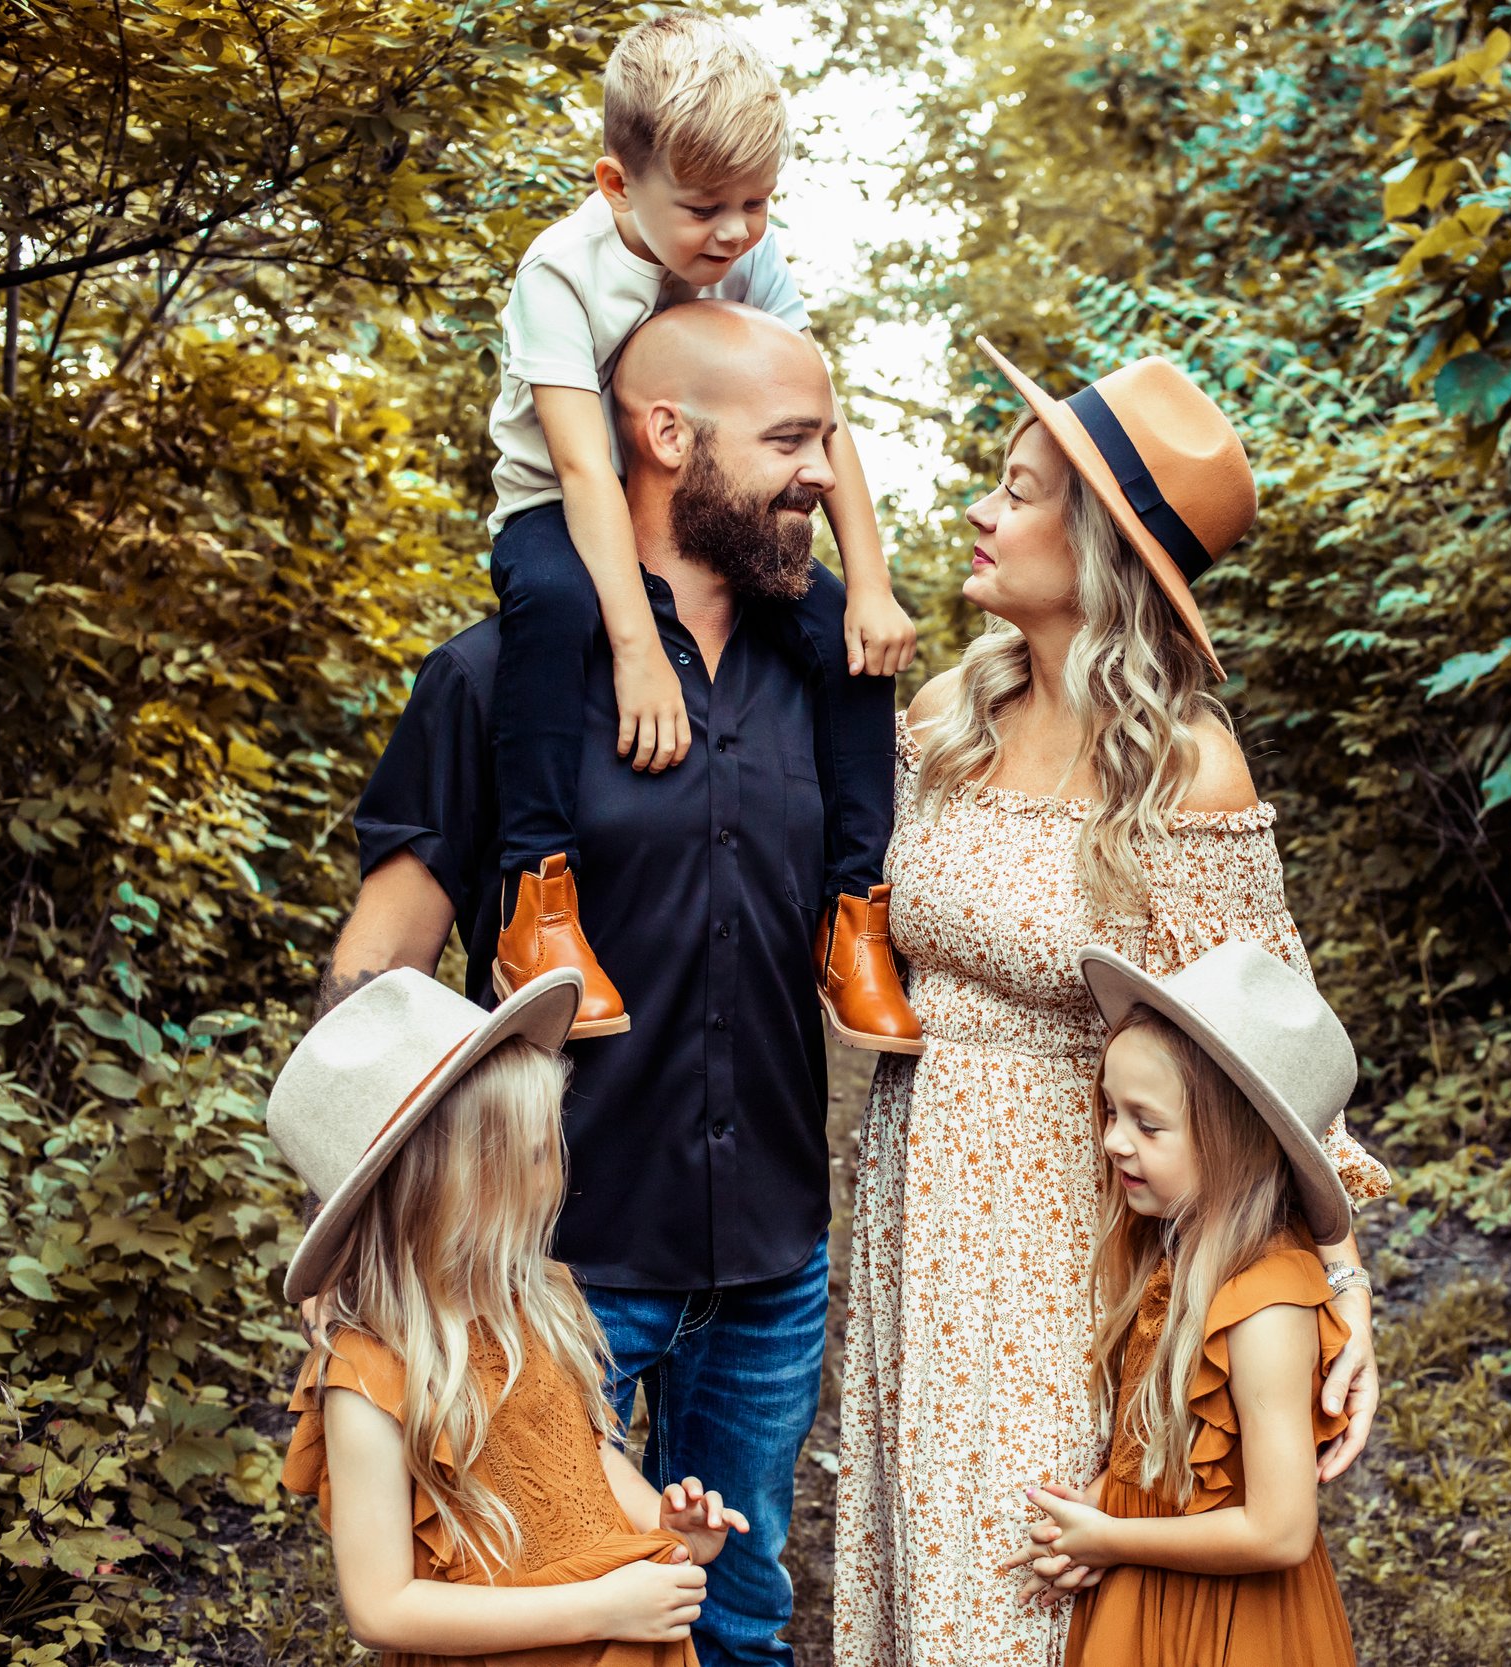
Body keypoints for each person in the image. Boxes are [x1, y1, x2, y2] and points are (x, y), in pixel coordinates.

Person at [832, 338, 1391, 1666]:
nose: (980, 508)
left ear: (1105, 548)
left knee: (1033, 1565)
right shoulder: (950, 713)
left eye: (1019, 491)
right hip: (916, 1189)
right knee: (923, 1544)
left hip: (1077, 1217)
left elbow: (1272, 1037)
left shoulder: (1182, 764)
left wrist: (1339, 1278)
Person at [327, 302, 855, 1666]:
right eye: (792, 439)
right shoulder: (499, 677)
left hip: (773, 1255)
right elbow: (379, 964)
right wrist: (359, 1222)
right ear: (667, 436)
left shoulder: (831, 688)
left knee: (740, 1606)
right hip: (550, 1271)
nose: (822, 473)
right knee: (554, 1620)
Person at [482, 9, 920, 1055]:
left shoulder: (749, 263)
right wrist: (637, 650)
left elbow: (821, 417)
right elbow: (586, 464)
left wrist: (870, 582)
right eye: (706, 209)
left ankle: (855, 914)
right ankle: (537, 905)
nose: (733, 234)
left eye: (757, 204)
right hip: (561, 499)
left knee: (843, 639)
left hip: (697, 504)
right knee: (552, 600)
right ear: (616, 185)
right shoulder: (561, 272)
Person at [268, 965, 752, 1666]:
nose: (556, 1170)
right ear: (445, 1189)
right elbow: (382, 1607)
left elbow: (582, 1457)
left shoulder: (531, 1302)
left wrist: (666, 1527)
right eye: (532, 1153)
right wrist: (600, 1606)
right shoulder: (367, 1377)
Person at [1001, 941, 1361, 1667]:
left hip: (1233, 1623)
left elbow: (1281, 1531)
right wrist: (1095, 1507)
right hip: (1152, 1595)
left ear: (1236, 1139)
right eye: (1109, 1110)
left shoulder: (1265, 1305)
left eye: (1146, 1122)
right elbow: (1157, 1446)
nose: (1111, 1141)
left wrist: (1109, 1539)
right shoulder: (1177, 1262)